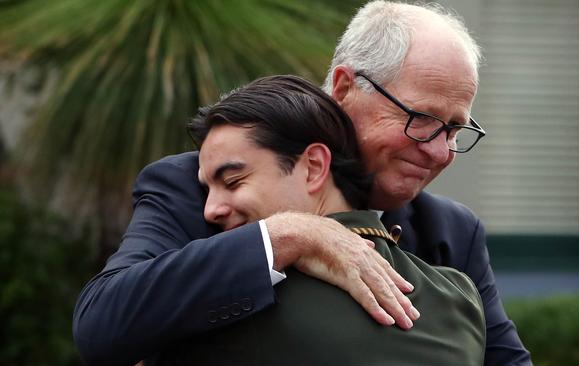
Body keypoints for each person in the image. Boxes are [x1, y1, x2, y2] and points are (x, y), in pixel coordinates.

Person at [73, 1, 531, 365]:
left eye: (454, 129)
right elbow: (102, 322)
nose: (438, 151)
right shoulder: (195, 189)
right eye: (420, 119)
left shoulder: (450, 232)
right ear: (345, 87)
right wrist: (287, 236)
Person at [155, 74, 485, 365]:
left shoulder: (234, 310)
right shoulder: (459, 297)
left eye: (233, 181)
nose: (210, 210)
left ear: (314, 166)